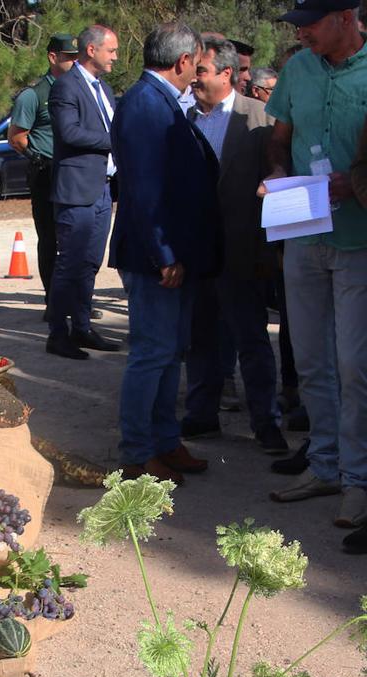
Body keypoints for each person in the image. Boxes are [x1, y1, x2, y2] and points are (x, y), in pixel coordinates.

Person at [262, 0, 367, 534]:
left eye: (311, 22)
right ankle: (324, 467)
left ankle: (358, 480)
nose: (301, 32)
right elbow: (280, 138)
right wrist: (279, 173)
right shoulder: (298, 69)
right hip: (302, 232)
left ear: (348, 17)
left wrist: (358, 184)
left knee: (354, 364)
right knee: (311, 361)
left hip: (358, 241)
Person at [109, 21, 220, 483]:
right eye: (196, 62)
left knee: (168, 352)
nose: (197, 72)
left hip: (172, 255)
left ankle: (164, 440)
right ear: (181, 62)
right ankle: (137, 453)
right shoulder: (145, 105)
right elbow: (143, 190)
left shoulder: (159, 103)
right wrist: (164, 254)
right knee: (152, 353)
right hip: (156, 259)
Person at [180, 37, 288, 454]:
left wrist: (270, 249)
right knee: (200, 338)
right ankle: (202, 415)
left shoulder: (260, 118)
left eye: (201, 71)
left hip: (242, 250)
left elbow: (277, 176)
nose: (194, 79)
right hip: (197, 253)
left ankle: (266, 422)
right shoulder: (184, 118)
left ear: (227, 74)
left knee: (251, 339)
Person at [45, 24, 121, 360]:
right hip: (76, 190)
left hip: (102, 189)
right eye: (111, 50)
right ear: (91, 50)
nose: (116, 57)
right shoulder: (66, 86)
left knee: (90, 263)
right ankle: (58, 334)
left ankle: (82, 326)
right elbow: (69, 132)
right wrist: (117, 140)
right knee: (70, 263)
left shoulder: (102, 87)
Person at [7, 33, 78, 310]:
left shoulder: (82, 89)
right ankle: (54, 300)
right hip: (46, 173)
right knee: (50, 238)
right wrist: (38, 157)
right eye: (69, 58)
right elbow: (17, 137)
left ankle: (77, 299)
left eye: (77, 57)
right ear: (53, 58)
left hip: (75, 173)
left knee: (76, 238)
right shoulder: (34, 95)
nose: (74, 62)